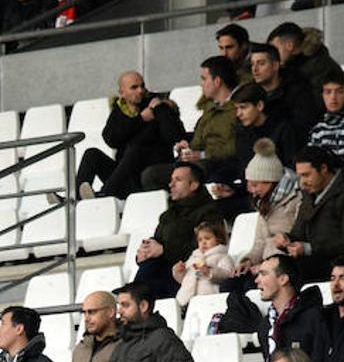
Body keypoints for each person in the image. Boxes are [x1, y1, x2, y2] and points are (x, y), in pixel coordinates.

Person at [75, 71, 185, 201]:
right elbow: (111, 139)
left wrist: (160, 109)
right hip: (123, 178)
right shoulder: (121, 110)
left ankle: (103, 195)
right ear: (122, 93)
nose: (140, 90)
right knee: (91, 154)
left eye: (142, 86)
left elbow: (175, 135)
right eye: (134, 87)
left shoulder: (158, 105)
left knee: (135, 148)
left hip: (148, 176)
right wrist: (140, 119)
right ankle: (74, 198)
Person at [141, 57, 239, 193]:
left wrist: (203, 155)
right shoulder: (210, 109)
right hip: (201, 162)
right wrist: (187, 147)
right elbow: (198, 140)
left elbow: (237, 145)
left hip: (219, 164)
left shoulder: (239, 108)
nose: (201, 84)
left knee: (155, 175)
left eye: (204, 79)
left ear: (217, 81)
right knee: (151, 172)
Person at [282, 145, 344, 281]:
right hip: (315, 260)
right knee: (275, 270)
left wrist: (310, 248)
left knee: (288, 277)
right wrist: (286, 239)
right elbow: (298, 232)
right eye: (299, 176)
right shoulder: (309, 193)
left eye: (306, 175)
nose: (302, 183)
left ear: (324, 169)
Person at [131, 164, 223, 300]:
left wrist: (164, 250)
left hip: (188, 273)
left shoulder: (209, 213)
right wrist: (144, 252)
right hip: (163, 271)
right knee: (148, 265)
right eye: (171, 180)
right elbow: (157, 242)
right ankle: (134, 301)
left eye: (178, 180)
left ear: (193, 185)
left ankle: (135, 302)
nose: (171, 184)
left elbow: (204, 249)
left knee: (147, 282)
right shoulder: (168, 214)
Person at [232, 141, 301, 280]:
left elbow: (294, 237)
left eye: (255, 184)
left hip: (287, 262)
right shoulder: (263, 202)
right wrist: (248, 260)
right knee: (233, 283)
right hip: (268, 262)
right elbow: (261, 241)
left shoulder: (296, 198)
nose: (251, 189)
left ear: (271, 181)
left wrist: (267, 264)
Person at [249, 43, 320, 147]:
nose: (255, 69)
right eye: (252, 64)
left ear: (275, 66)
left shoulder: (298, 91)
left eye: (261, 63)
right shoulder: (249, 94)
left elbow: (303, 128)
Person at [227, 85, 298, 181]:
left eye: (243, 107)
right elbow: (242, 168)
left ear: (260, 106)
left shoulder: (283, 128)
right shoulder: (242, 132)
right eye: (236, 109)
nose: (238, 114)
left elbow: (291, 166)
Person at [173, 220, 236, 306]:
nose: (203, 242)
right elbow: (183, 280)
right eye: (200, 240)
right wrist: (179, 271)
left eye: (207, 238)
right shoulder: (194, 257)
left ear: (218, 239)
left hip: (209, 298)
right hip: (186, 299)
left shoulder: (223, 256)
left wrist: (209, 271)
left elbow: (227, 273)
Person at [269, 22, 343, 94]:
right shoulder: (288, 67)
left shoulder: (320, 66)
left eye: (275, 48)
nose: (272, 55)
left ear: (289, 46)